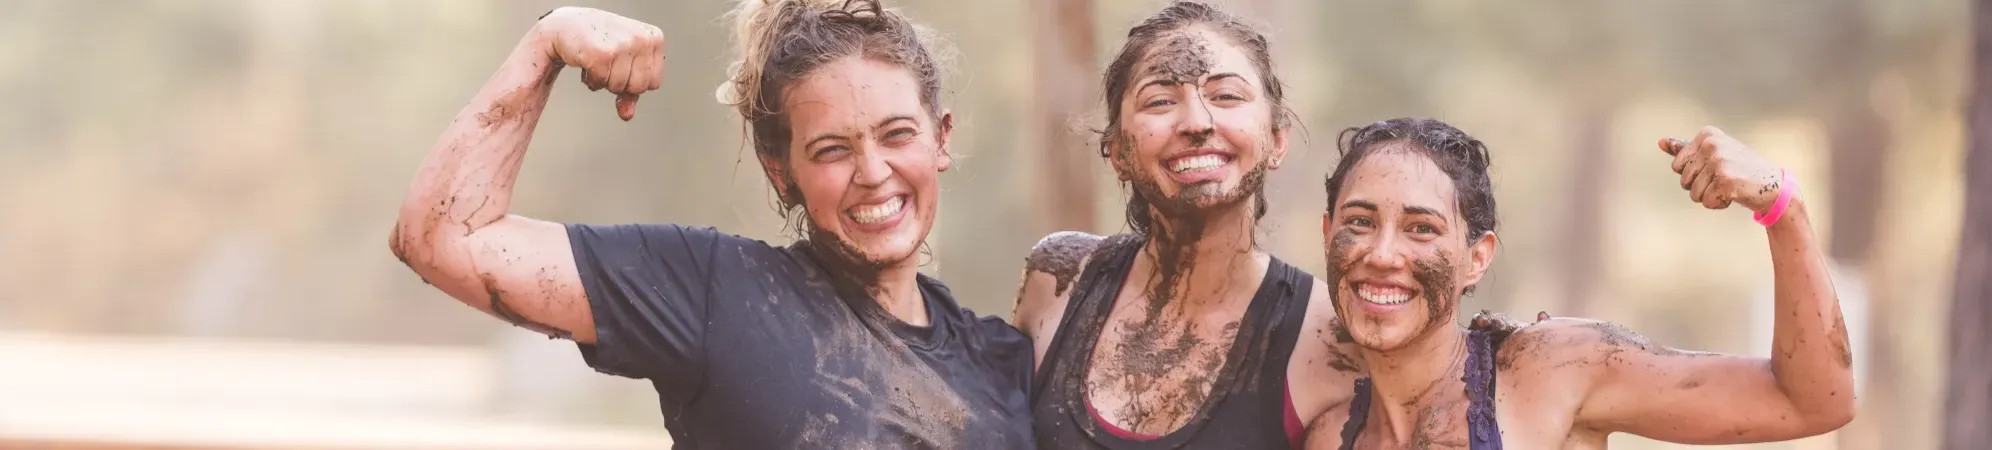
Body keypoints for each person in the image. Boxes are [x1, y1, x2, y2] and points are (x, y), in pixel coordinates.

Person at [387, 2, 1034, 448]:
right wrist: (550, 40)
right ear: (780, 170)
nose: (873, 171)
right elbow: (443, 239)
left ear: (940, 139)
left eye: (897, 135)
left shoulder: (1003, 362)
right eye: (832, 149)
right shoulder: (712, 293)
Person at [1303, 117, 1855, 448]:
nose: (1381, 254)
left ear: (1477, 258)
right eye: (1359, 222)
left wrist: (1783, 207)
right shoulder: (1329, 436)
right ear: (1328, 234)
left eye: (1422, 229)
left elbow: (1812, 401)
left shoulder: (1550, 372)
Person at [1011, 2, 1373, 448]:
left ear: (1276, 140)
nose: (1197, 123)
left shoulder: (1333, 337)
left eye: (1226, 96)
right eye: (1160, 101)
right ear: (1119, 152)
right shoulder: (1058, 279)